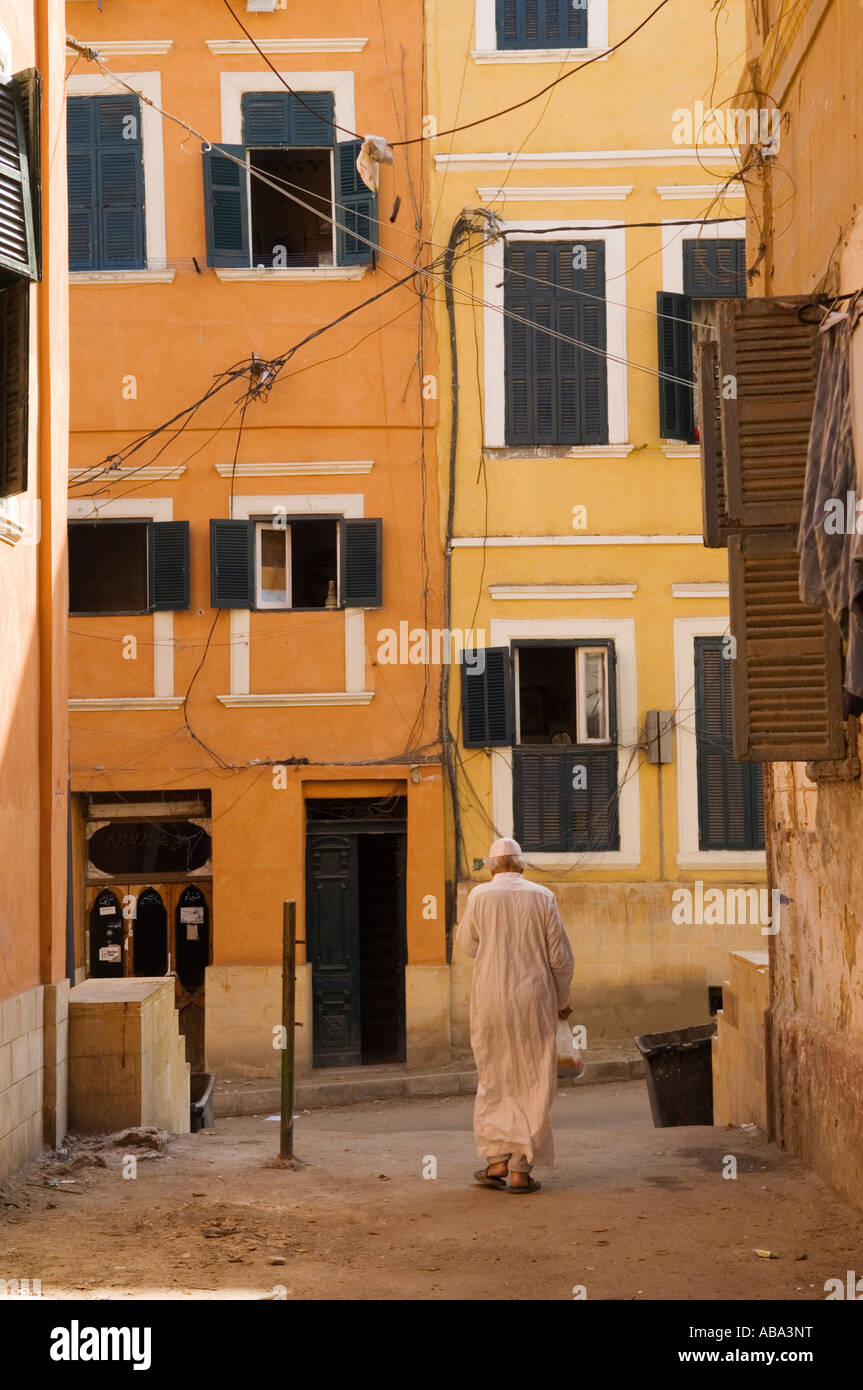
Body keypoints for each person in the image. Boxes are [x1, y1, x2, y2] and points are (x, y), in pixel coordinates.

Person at [455, 837, 575, 1194]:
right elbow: (561, 960)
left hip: (491, 1000)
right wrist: (562, 1001)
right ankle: (521, 1169)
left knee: (495, 1077)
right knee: (533, 1079)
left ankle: (496, 1162)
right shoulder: (543, 897)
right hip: (534, 1001)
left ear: (493, 867)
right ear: (521, 865)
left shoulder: (479, 896)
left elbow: (467, 945)